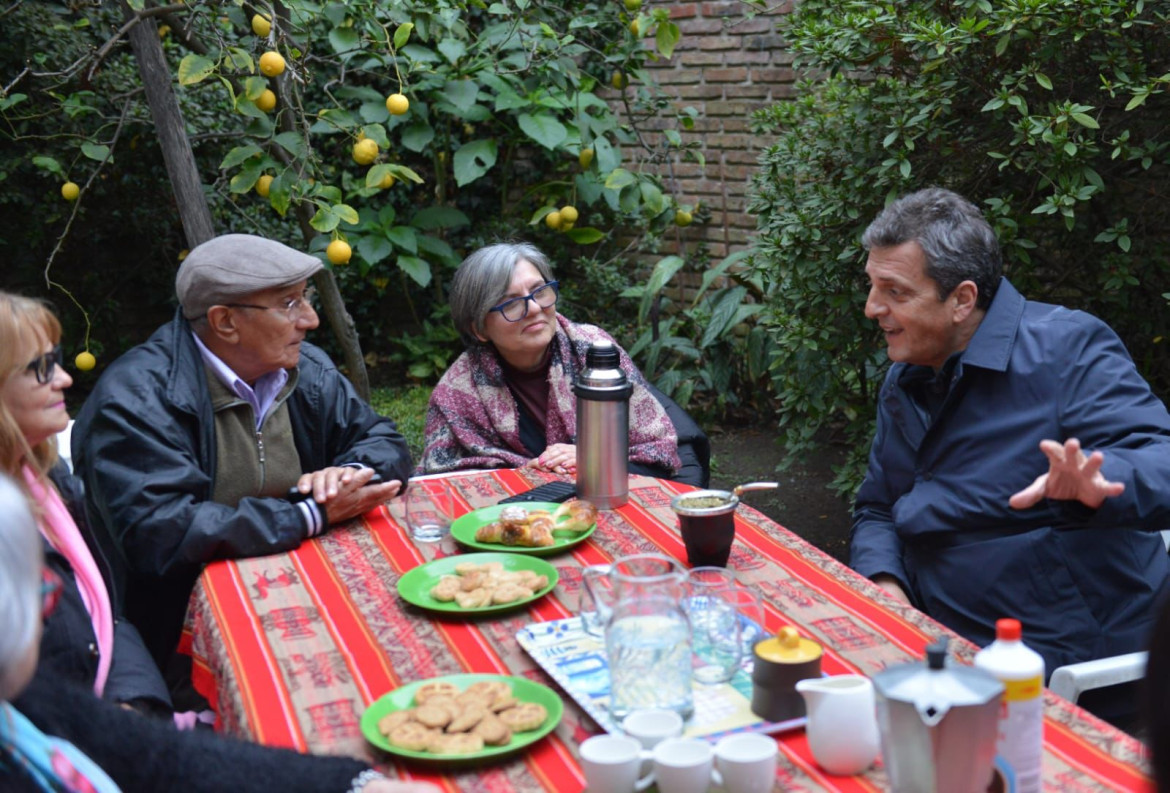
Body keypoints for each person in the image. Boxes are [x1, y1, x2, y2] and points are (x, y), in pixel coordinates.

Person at [849, 187, 1170, 720]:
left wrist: (1100, 483)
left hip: (1061, 663)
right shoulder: (905, 378)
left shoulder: (1066, 349)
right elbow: (879, 507)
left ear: (963, 300)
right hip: (942, 645)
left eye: (895, 291)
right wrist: (884, 583)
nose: (872, 308)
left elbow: (1161, 459)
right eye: (872, 286)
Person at [71, 234, 413, 673]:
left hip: (298, 588)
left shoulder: (304, 369)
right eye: (289, 303)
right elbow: (163, 533)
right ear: (225, 321)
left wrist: (347, 474)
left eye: (305, 299)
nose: (310, 319)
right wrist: (308, 514)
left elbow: (383, 440)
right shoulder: (136, 400)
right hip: (181, 640)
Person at [0, 473, 437, 793]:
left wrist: (355, 783)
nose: (52, 604)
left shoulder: (25, 701)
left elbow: (156, 754)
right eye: (41, 589)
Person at [0, 291, 170, 713]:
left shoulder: (47, 475)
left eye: (55, 359)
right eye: (40, 368)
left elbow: (107, 615)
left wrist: (136, 702)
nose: (64, 379)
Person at [421, 241, 709, 486]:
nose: (534, 309)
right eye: (510, 303)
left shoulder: (593, 351)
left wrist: (593, 458)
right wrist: (528, 474)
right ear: (479, 329)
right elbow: (444, 482)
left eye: (540, 291)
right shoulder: (457, 393)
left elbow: (657, 448)